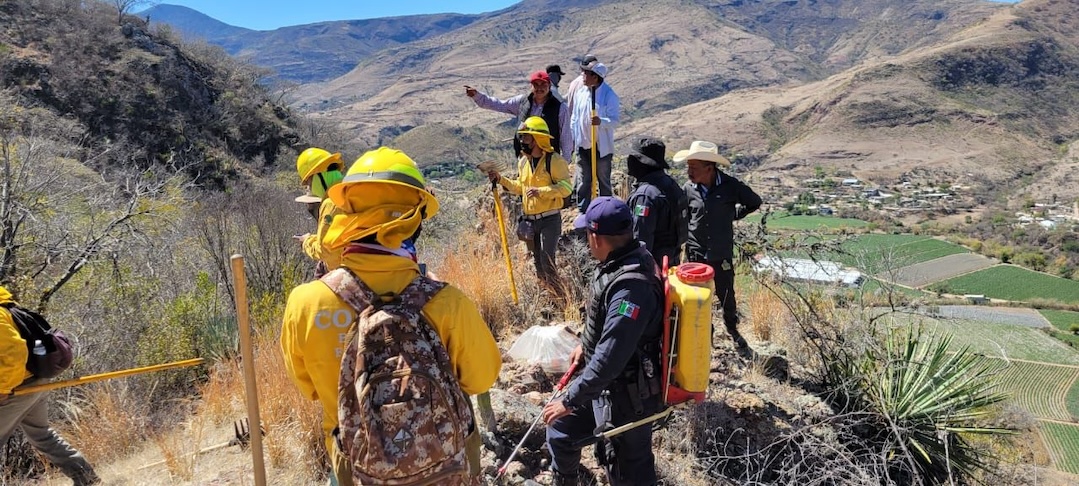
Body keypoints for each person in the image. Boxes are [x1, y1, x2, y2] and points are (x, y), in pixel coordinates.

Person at [281, 147, 501, 486]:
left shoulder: (305, 304)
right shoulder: (448, 303)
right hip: (446, 469)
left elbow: (308, 388)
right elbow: (482, 379)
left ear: (346, 212)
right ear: (414, 222)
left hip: (356, 468)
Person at [542, 197, 664, 486]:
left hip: (629, 397)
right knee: (560, 431)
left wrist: (570, 400)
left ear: (596, 237)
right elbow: (606, 326)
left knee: (629, 469)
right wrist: (586, 343)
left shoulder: (631, 289)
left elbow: (611, 357)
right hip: (610, 387)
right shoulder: (621, 261)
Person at [0, 287, 100, 486]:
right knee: (41, 434)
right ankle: (87, 478)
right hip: (36, 382)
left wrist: (3, 389)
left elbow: (15, 353)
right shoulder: (8, 307)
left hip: (19, 387)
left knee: (41, 435)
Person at [676, 141, 762, 349]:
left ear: (709, 168)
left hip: (720, 252)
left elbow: (754, 202)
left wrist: (731, 215)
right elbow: (683, 215)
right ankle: (706, 333)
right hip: (696, 252)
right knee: (697, 296)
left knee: (726, 293)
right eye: (688, 167)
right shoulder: (688, 189)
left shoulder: (731, 186)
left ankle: (732, 328)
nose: (689, 172)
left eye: (693, 168)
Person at [486, 117, 572, 290]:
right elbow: (520, 187)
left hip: (549, 220)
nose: (522, 141)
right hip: (530, 221)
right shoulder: (523, 162)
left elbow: (566, 188)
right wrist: (501, 179)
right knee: (538, 261)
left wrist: (542, 191)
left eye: (526, 137)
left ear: (537, 139)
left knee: (547, 260)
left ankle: (561, 297)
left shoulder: (555, 161)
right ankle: (548, 295)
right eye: (522, 137)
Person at [464, 71, 573, 161]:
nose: (539, 88)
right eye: (536, 85)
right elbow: (500, 105)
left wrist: (564, 162)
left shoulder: (560, 108)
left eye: (543, 84)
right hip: (525, 156)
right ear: (531, 86)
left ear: (549, 86)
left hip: (549, 158)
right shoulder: (522, 102)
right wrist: (477, 96)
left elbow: (565, 136)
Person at [625, 137, 688, 267]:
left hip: (651, 267)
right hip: (671, 261)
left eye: (632, 157)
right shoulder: (670, 184)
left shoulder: (645, 196)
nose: (628, 161)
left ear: (642, 162)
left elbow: (641, 240)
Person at [568, 62, 619, 212]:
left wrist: (601, 122)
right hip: (583, 145)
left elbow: (615, 120)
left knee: (603, 180)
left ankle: (606, 210)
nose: (582, 76)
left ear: (595, 77)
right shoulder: (581, 93)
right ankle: (583, 211)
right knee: (584, 180)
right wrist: (575, 136)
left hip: (601, 147)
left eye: (586, 73)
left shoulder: (609, 95)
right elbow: (575, 117)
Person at [293, 147, 346, 274]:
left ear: (318, 177)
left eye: (309, 183)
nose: (310, 187)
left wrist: (306, 242)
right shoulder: (350, 192)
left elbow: (325, 251)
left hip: (343, 275)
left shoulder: (332, 203)